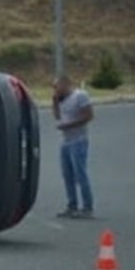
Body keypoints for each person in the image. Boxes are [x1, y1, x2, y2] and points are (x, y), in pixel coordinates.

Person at [53, 75, 96, 218]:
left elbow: (88, 116)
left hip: (78, 140)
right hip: (66, 141)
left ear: (65, 85)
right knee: (67, 174)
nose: (55, 90)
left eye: (57, 87)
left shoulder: (80, 96)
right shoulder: (62, 100)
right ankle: (72, 205)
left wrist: (69, 125)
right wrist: (54, 102)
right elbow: (58, 117)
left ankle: (87, 207)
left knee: (80, 173)